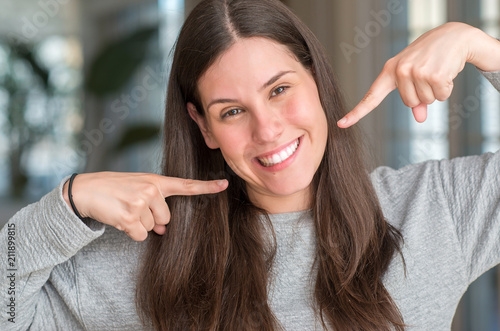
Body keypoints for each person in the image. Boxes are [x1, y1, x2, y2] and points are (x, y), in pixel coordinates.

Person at [1, 0, 500, 330]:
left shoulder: (437, 209)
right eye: (232, 111)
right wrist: (66, 204)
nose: (267, 131)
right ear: (203, 127)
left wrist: (482, 49)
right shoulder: (147, 255)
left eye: (280, 89)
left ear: (318, 81)